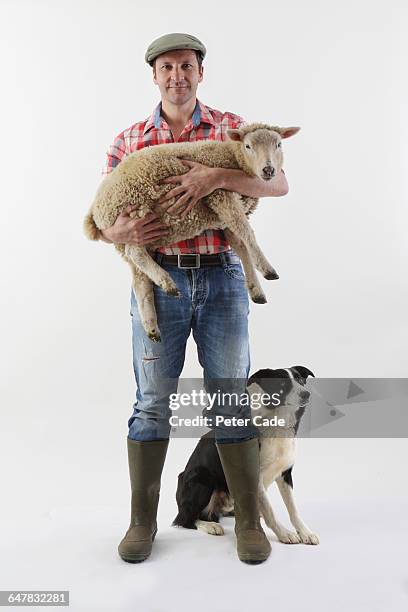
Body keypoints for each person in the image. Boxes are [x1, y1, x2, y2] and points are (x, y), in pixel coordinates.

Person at [99, 33, 289, 564]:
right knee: (152, 400)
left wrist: (216, 176)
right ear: (154, 75)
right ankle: (142, 521)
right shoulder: (128, 140)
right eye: (166, 67)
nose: (177, 75)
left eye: (186, 66)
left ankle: (249, 522)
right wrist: (123, 234)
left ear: (200, 73)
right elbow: (105, 217)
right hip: (163, 282)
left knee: (230, 397)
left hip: (223, 277)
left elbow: (277, 184)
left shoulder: (234, 129)